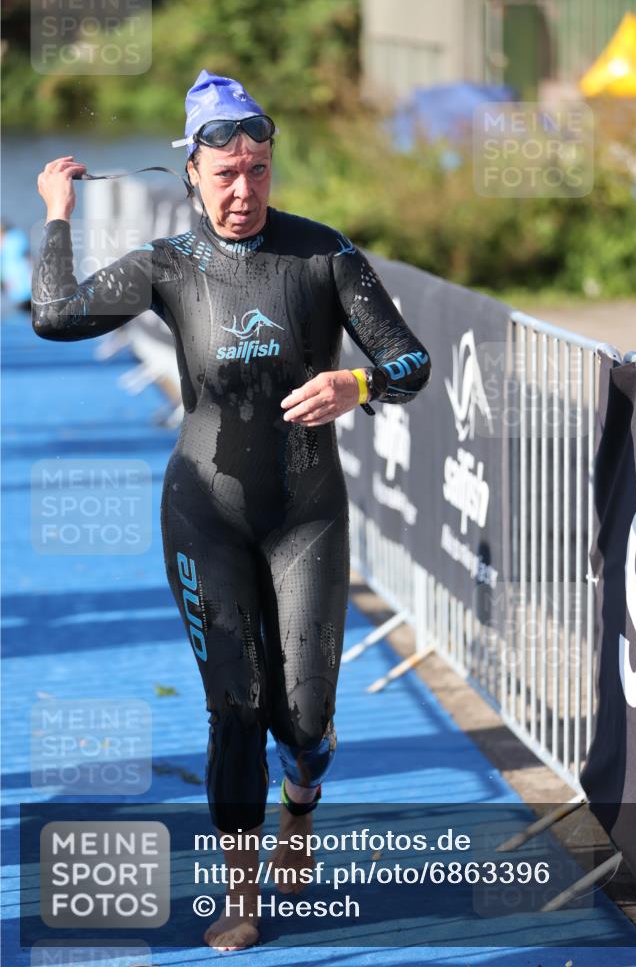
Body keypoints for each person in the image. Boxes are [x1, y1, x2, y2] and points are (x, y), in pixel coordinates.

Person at [32, 70, 431, 951]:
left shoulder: (322, 255)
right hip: (202, 512)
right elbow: (53, 315)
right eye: (226, 175)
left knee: (307, 722)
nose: (244, 190)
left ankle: (303, 799)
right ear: (193, 175)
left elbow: (412, 364)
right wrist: (56, 212)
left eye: (257, 169)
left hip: (307, 515)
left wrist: (354, 382)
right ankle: (240, 891)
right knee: (235, 710)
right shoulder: (171, 266)